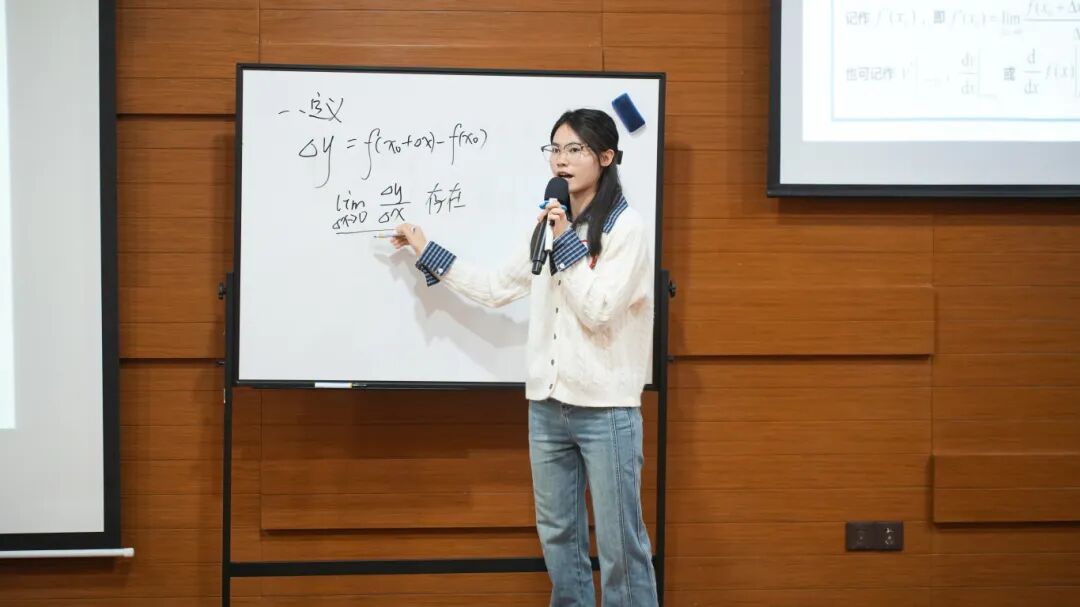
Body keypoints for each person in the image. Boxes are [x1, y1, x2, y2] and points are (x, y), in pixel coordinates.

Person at [391, 108, 657, 607]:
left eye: (575, 149)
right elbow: (496, 288)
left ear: (606, 157)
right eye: (555, 149)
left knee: (621, 545)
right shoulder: (549, 224)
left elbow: (599, 310)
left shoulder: (627, 228)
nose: (561, 160)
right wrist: (427, 250)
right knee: (559, 537)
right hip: (547, 406)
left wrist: (565, 241)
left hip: (606, 409)